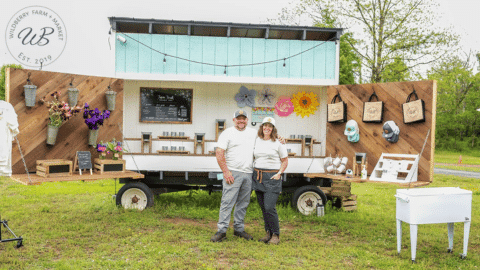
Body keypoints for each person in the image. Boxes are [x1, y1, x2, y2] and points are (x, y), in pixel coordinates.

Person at [211, 109, 257, 242]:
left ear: (247, 120)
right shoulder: (227, 133)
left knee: (243, 203)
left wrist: (280, 139)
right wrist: (226, 171)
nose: (241, 121)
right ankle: (222, 231)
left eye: (243, 118)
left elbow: (267, 138)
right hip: (232, 173)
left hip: (248, 173)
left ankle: (239, 229)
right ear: (234, 120)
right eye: (238, 118)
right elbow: (219, 152)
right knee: (227, 202)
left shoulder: (253, 133)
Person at [252, 117, 288, 245]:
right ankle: (268, 233)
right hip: (258, 176)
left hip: (272, 177)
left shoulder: (278, 142)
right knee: (263, 207)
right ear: (262, 127)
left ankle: (276, 235)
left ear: (273, 129)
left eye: (270, 126)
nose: (267, 128)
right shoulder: (257, 140)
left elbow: (284, 161)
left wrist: (279, 173)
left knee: (269, 207)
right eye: (265, 125)